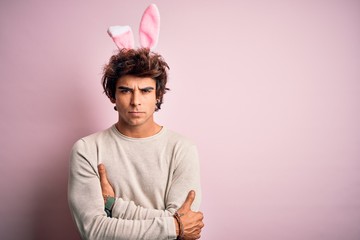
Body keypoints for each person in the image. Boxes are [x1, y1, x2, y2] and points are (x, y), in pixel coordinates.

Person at [68, 46, 204, 239]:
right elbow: (94, 231)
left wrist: (114, 206)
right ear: (112, 95)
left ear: (158, 95)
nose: (135, 101)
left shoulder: (182, 149)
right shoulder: (87, 149)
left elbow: (184, 220)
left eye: (146, 91)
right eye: (125, 91)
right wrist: (173, 227)